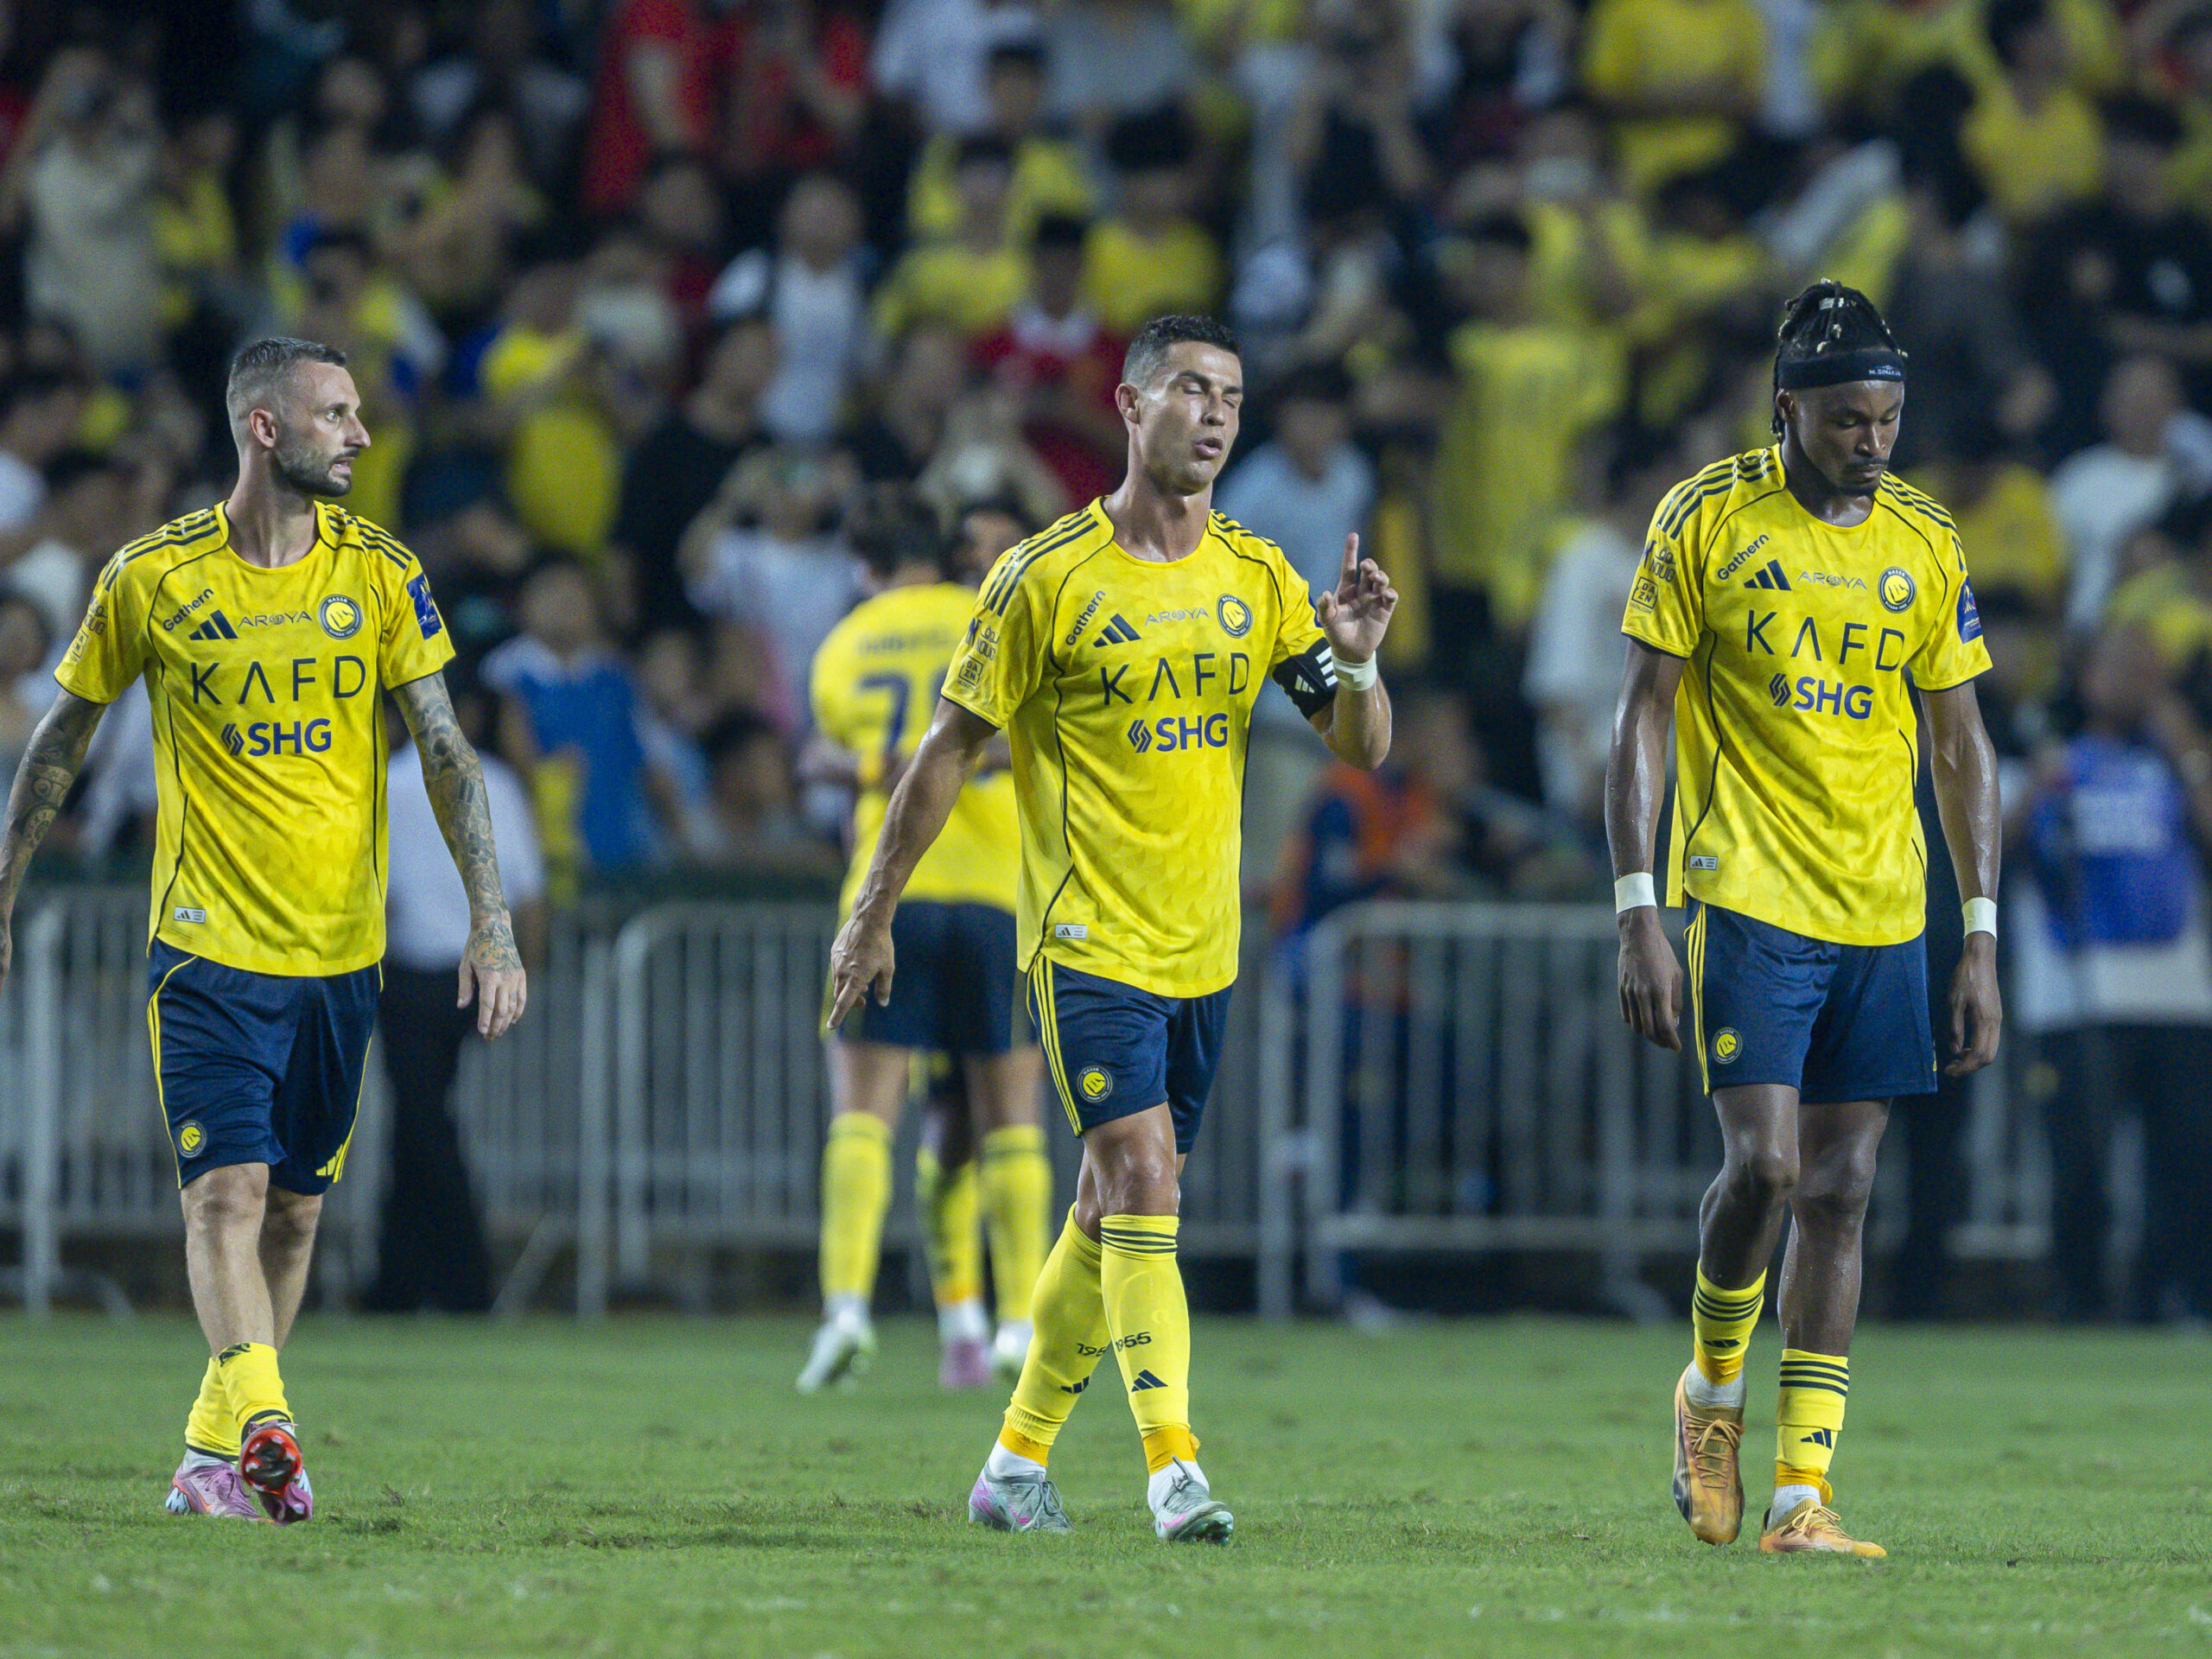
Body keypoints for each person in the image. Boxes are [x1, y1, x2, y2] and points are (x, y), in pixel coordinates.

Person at [826, 315, 1397, 1542]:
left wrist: (1355, 663)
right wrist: (872, 914)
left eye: (1232, 398)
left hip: (1207, 947)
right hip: (1084, 940)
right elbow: (943, 755)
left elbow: (1359, 746)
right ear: (1131, 407)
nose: (1216, 415)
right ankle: (1175, 1468)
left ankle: (1014, 1469)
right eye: (1192, 390)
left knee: (1109, 1208)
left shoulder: (1253, 575)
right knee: (1145, 1179)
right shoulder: (1044, 577)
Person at [0, 337, 528, 1524]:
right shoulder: (152, 577)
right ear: (265, 429)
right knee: (226, 1196)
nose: (363, 435)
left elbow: (445, 751)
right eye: (338, 414)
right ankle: (269, 1428)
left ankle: (209, 1454)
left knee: (295, 1210)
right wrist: (3, 885)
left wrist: (491, 925)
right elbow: (62, 740)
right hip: (207, 945)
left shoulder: (385, 576)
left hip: (342, 952)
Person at [1605, 283, 2003, 1558]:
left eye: (1887, 419)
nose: (1871, 443)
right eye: (1846, 420)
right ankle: (1710, 1392)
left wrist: (1979, 931)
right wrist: (1638, 909)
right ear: (1790, 410)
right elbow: (1646, 715)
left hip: (1886, 912)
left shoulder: (1927, 540)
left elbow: (1962, 744)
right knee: (1767, 1169)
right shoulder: (1707, 519)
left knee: (1842, 1189)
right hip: (1748, 894)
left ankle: (1800, 1498)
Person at [799, 490, 1051, 1393]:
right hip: (994, 890)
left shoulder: (845, 642)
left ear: (864, 566)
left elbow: (822, 757)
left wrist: (869, 769)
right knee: (1007, 1117)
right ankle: (1020, 1322)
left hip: (887, 897)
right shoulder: (988, 619)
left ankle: (844, 1313)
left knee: (865, 1113)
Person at [365, 676, 547, 1314]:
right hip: (471, 975)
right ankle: (412, 1283)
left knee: (421, 1127)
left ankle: (448, 1279)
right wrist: (524, 971)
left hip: (409, 973)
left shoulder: (386, 776)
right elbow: (529, 894)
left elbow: (370, 884)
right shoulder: (494, 779)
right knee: (419, 1127)